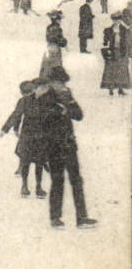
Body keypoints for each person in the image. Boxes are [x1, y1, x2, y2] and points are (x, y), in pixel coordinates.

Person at [34, 67, 95, 229]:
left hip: (68, 144)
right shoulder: (45, 97)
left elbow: (79, 115)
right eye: (59, 82)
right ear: (52, 82)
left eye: (63, 82)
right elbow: (43, 120)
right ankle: (55, 218)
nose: (62, 85)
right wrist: (59, 112)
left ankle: (81, 217)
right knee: (57, 180)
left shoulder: (67, 96)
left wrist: (69, 106)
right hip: (53, 146)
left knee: (76, 180)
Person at [0, 78, 51, 197]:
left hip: (42, 136)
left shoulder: (47, 101)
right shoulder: (25, 101)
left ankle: (39, 187)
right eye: (43, 88)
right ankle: (24, 186)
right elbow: (16, 115)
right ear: (37, 88)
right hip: (27, 136)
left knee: (40, 163)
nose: (45, 90)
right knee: (26, 162)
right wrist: (5, 128)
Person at [101, 11, 131, 96]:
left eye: (118, 19)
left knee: (121, 71)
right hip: (112, 52)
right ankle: (111, 88)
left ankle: (120, 89)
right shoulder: (108, 30)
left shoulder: (124, 29)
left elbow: (129, 38)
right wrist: (107, 46)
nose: (117, 21)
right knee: (111, 70)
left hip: (122, 52)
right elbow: (105, 42)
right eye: (115, 20)